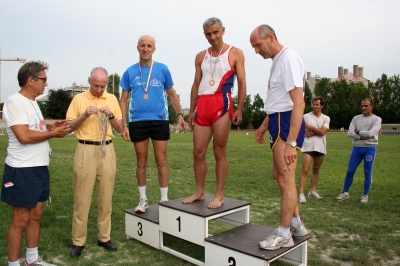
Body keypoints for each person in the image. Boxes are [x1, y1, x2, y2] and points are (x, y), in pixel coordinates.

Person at [1, 61, 70, 266]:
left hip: (39, 167)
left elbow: (34, 128)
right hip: (21, 169)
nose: (46, 84)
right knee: (20, 220)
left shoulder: (33, 102)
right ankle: (13, 264)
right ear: (30, 80)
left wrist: (49, 126)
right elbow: (22, 135)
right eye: (43, 79)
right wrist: (51, 133)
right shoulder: (14, 101)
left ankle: (32, 260)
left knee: (36, 216)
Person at [250, 24, 308, 250]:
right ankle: (296, 224)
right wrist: (265, 124)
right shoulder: (277, 61)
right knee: (280, 176)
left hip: (286, 123)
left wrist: (292, 142)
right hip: (277, 120)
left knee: (286, 178)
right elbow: (278, 98)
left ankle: (284, 233)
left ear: (270, 37)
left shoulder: (288, 59)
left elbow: (298, 102)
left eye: (257, 45)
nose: (256, 50)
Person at [182, 17, 246, 209]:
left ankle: (219, 194)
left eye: (216, 32)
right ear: (205, 35)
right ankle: (200, 192)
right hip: (203, 103)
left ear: (223, 31)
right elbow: (195, 84)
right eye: (209, 34)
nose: (213, 37)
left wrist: (240, 108)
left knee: (219, 150)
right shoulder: (200, 56)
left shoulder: (235, 53)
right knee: (198, 152)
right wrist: (191, 110)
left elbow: (242, 82)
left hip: (222, 101)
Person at [119, 35, 185, 213]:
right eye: (142, 45)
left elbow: (171, 93)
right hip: (137, 121)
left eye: (149, 46)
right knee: (141, 161)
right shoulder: (130, 71)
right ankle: (143, 200)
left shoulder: (162, 69)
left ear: (154, 49)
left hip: (159, 119)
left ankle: (164, 200)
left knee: (161, 160)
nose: (146, 48)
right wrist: (124, 124)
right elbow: (123, 100)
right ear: (138, 48)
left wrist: (180, 114)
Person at [66, 67, 123, 258]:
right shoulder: (79, 99)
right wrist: (84, 115)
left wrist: (112, 116)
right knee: (82, 198)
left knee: (106, 198)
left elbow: (121, 128)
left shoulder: (112, 99)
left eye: (102, 86)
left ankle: (104, 237)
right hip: (85, 149)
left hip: (107, 149)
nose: (99, 89)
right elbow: (68, 127)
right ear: (89, 80)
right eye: (96, 85)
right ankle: (78, 241)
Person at [335, 99, 381, 204]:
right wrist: (362, 137)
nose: (364, 108)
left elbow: (371, 133)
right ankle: (345, 193)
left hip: (369, 148)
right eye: (362, 106)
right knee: (350, 171)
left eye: (366, 106)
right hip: (357, 148)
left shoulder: (376, 119)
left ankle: (365, 195)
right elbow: (350, 133)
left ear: (372, 106)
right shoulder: (356, 118)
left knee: (367, 171)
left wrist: (359, 132)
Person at [298, 96, 330, 204]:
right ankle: (301, 193)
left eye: (317, 104)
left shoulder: (326, 118)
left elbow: (323, 132)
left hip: (320, 147)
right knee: (305, 169)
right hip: (308, 147)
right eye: (314, 104)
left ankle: (312, 191)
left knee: (316, 169)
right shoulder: (305, 117)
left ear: (322, 106)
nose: (315, 106)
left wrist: (310, 127)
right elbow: (306, 133)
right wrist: (319, 131)